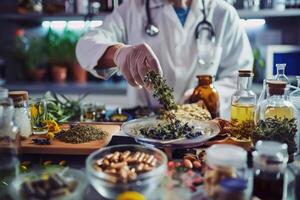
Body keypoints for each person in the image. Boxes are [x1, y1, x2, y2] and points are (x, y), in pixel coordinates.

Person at [76, 0, 253, 119]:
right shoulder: (133, 8)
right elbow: (85, 46)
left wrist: (208, 96)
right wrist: (118, 53)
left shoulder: (223, 13)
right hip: (144, 124)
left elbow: (239, 76)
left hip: (201, 126)